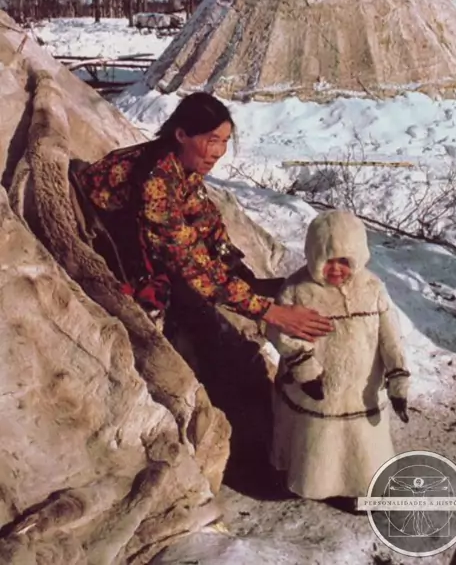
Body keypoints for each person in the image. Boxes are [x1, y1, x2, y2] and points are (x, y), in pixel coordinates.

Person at [77, 91, 333, 341]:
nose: (219, 151)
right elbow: (186, 263)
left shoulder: (182, 165)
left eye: (225, 141)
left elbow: (207, 224)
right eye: (212, 140)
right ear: (181, 135)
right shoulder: (156, 181)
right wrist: (270, 312)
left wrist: (246, 280)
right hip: (113, 236)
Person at [267, 209, 410, 505]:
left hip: (362, 391)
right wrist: (305, 370)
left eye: (344, 260)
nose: (336, 269)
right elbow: (282, 333)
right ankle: (309, 482)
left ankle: (364, 489)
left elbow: (390, 337)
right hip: (316, 389)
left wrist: (397, 377)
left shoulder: (372, 288)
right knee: (317, 441)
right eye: (327, 260)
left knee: (363, 445)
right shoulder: (297, 290)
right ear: (314, 256)